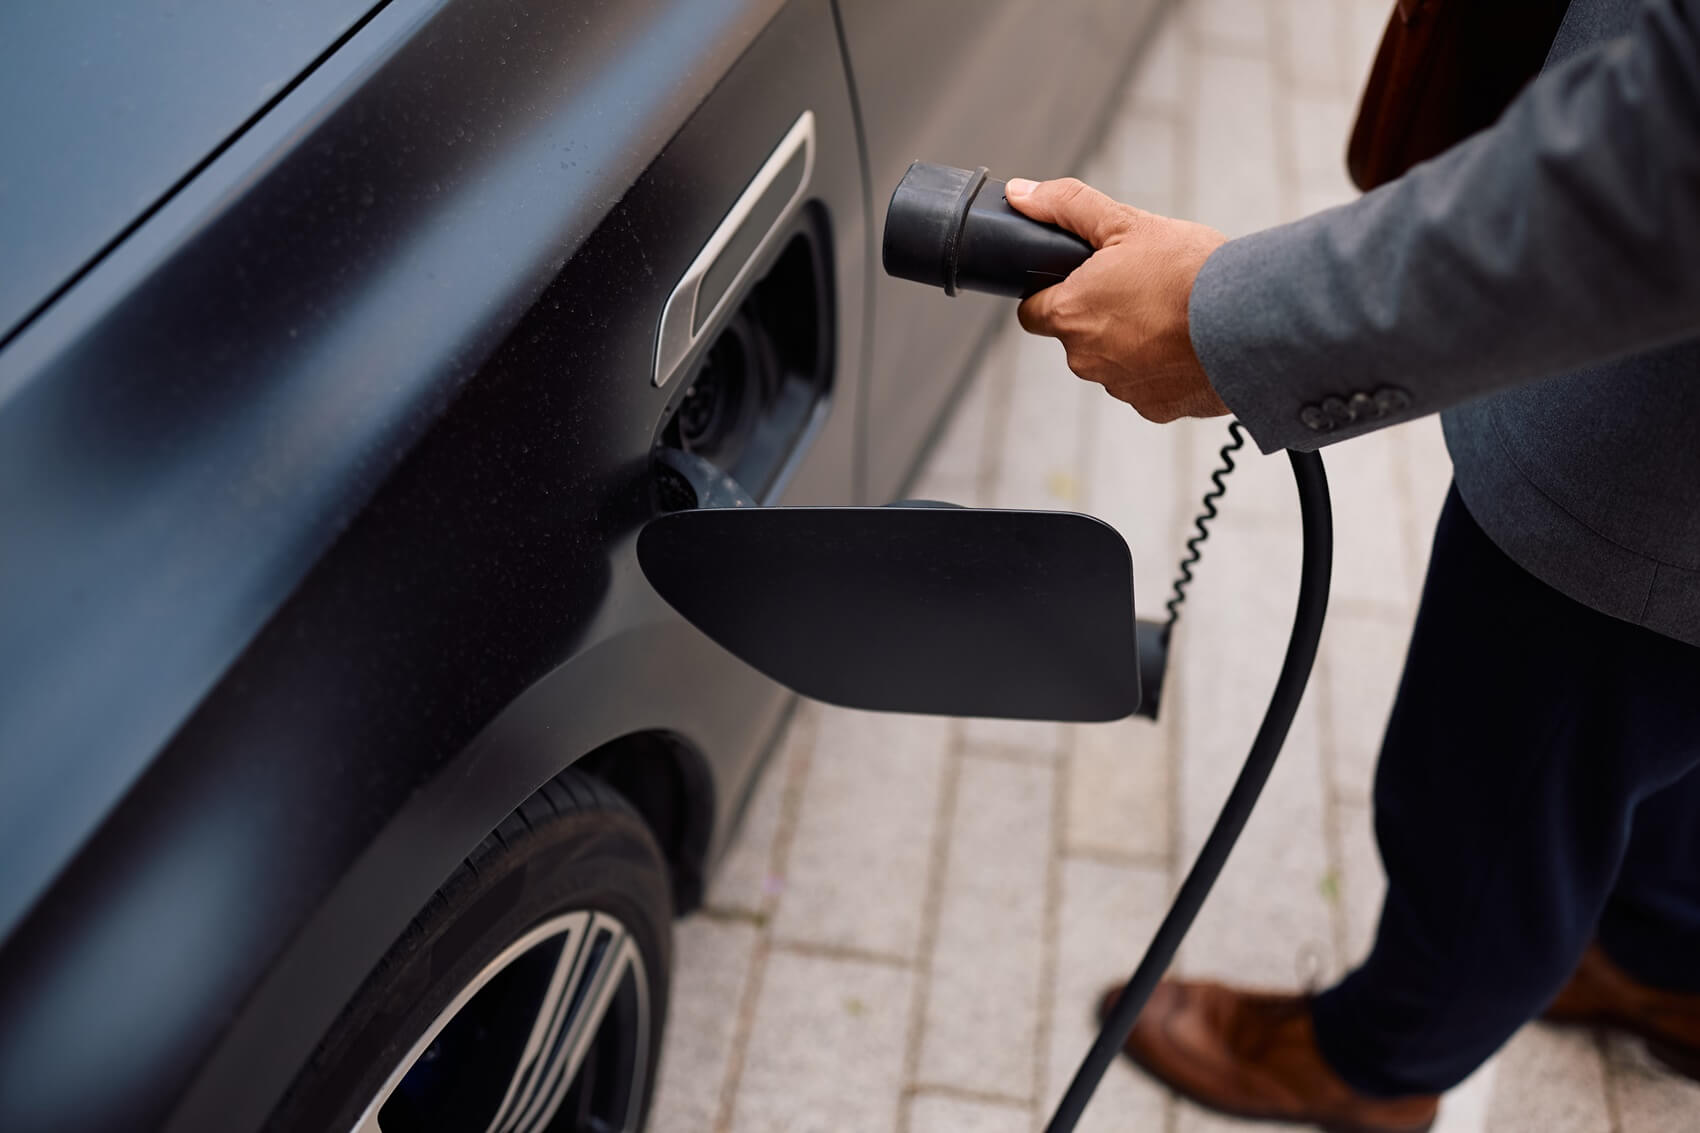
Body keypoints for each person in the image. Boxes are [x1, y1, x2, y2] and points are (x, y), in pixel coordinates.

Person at [1005, 0, 1700, 1129]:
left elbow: (1662, 156)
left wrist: (1223, 320)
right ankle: (1664, 950)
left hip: (1656, 461)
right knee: (1655, 733)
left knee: (1494, 779)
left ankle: (1381, 1058)